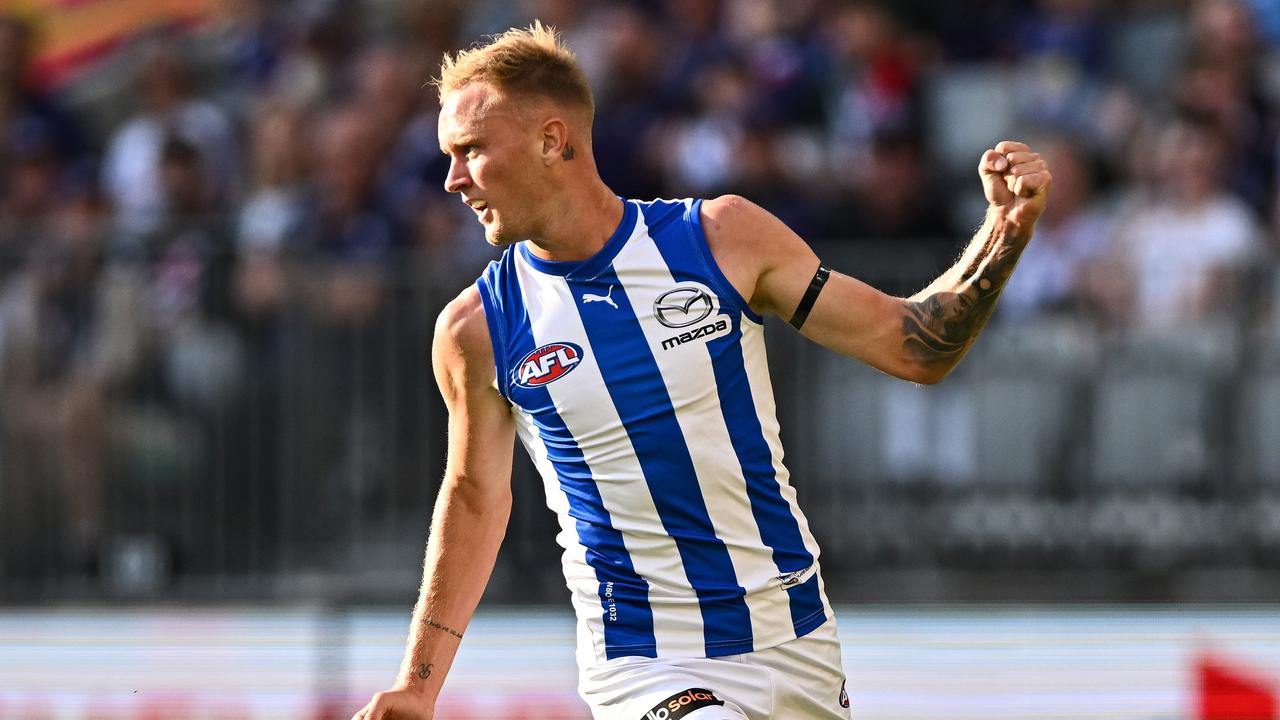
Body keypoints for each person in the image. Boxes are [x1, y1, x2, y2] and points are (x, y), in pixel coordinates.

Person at [352, 22, 1050, 720]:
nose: (452, 178)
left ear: (552, 138)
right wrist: (419, 684)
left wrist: (1004, 232)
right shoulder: (478, 328)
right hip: (647, 660)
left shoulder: (719, 239)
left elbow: (914, 347)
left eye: (471, 150)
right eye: (449, 155)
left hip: (796, 637)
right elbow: (475, 498)